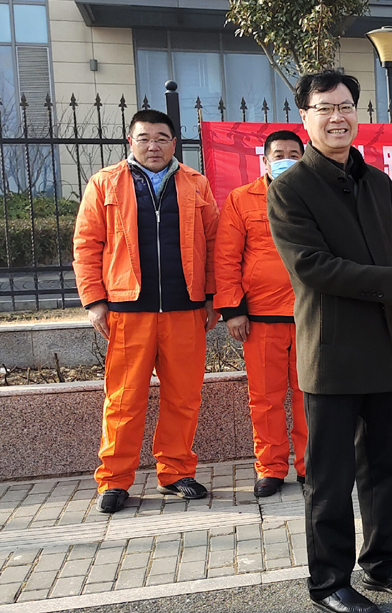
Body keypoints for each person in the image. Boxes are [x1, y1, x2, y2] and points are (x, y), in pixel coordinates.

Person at [267, 70, 392, 613]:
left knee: (381, 470)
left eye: (345, 107)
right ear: (305, 117)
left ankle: (381, 563)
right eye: (325, 108)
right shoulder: (290, 188)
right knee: (330, 478)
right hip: (332, 353)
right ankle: (328, 583)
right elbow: (312, 267)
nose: (337, 118)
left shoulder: (378, 182)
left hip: (382, 349)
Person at [73, 109, 220, 514]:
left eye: (161, 138)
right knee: (123, 400)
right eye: (144, 138)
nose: (153, 146)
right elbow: (86, 245)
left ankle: (175, 472)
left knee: (183, 397)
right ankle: (114, 480)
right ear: (130, 141)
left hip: (185, 307)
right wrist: (94, 301)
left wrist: (213, 297)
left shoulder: (196, 183)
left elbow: (214, 244)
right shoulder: (105, 183)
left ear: (174, 143)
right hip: (128, 309)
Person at [214, 130, 307, 498]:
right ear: (264, 160)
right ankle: (270, 468)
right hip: (262, 316)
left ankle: (311, 465)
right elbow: (226, 257)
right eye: (279, 154)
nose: (286, 160)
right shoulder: (242, 199)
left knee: (310, 396)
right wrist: (233, 310)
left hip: (310, 314)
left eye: (294, 154)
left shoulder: (317, 195)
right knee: (265, 399)